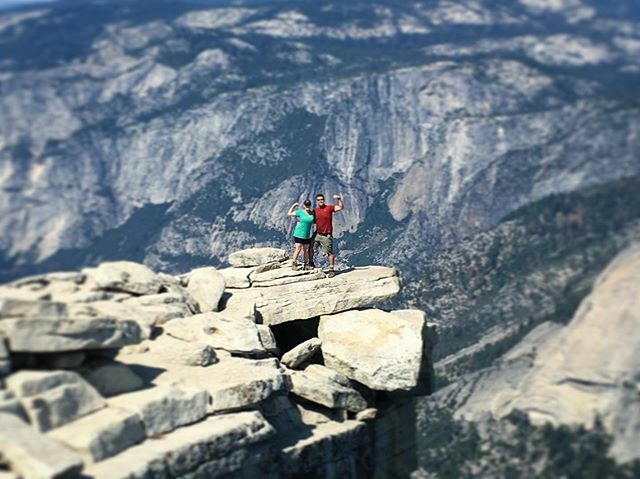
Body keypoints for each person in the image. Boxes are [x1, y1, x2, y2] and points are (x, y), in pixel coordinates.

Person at [311, 193, 344, 278]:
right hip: (317, 234)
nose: (320, 201)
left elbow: (340, 207)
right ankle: (310, 263)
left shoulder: (329, 208)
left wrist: (339, 199)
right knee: (310, 248)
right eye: (318, 200)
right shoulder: (315, 211)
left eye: (321, 199)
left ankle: (331, 270)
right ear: (316, 201)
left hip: (326, 235)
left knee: (329, 252)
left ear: (324, 200)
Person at [287, 199, 314, 270]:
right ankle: (294, 263)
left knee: (306, 250)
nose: (307, 206)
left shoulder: (312, 214)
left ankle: (306, 264)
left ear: (310, 205)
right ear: (304, 206)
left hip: (307, 235)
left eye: (309, 205)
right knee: (298, 249)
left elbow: (315, 221)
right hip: (299, 234)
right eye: (306, 205)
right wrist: (293, 206)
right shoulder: (300, 212)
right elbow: (289, 213)